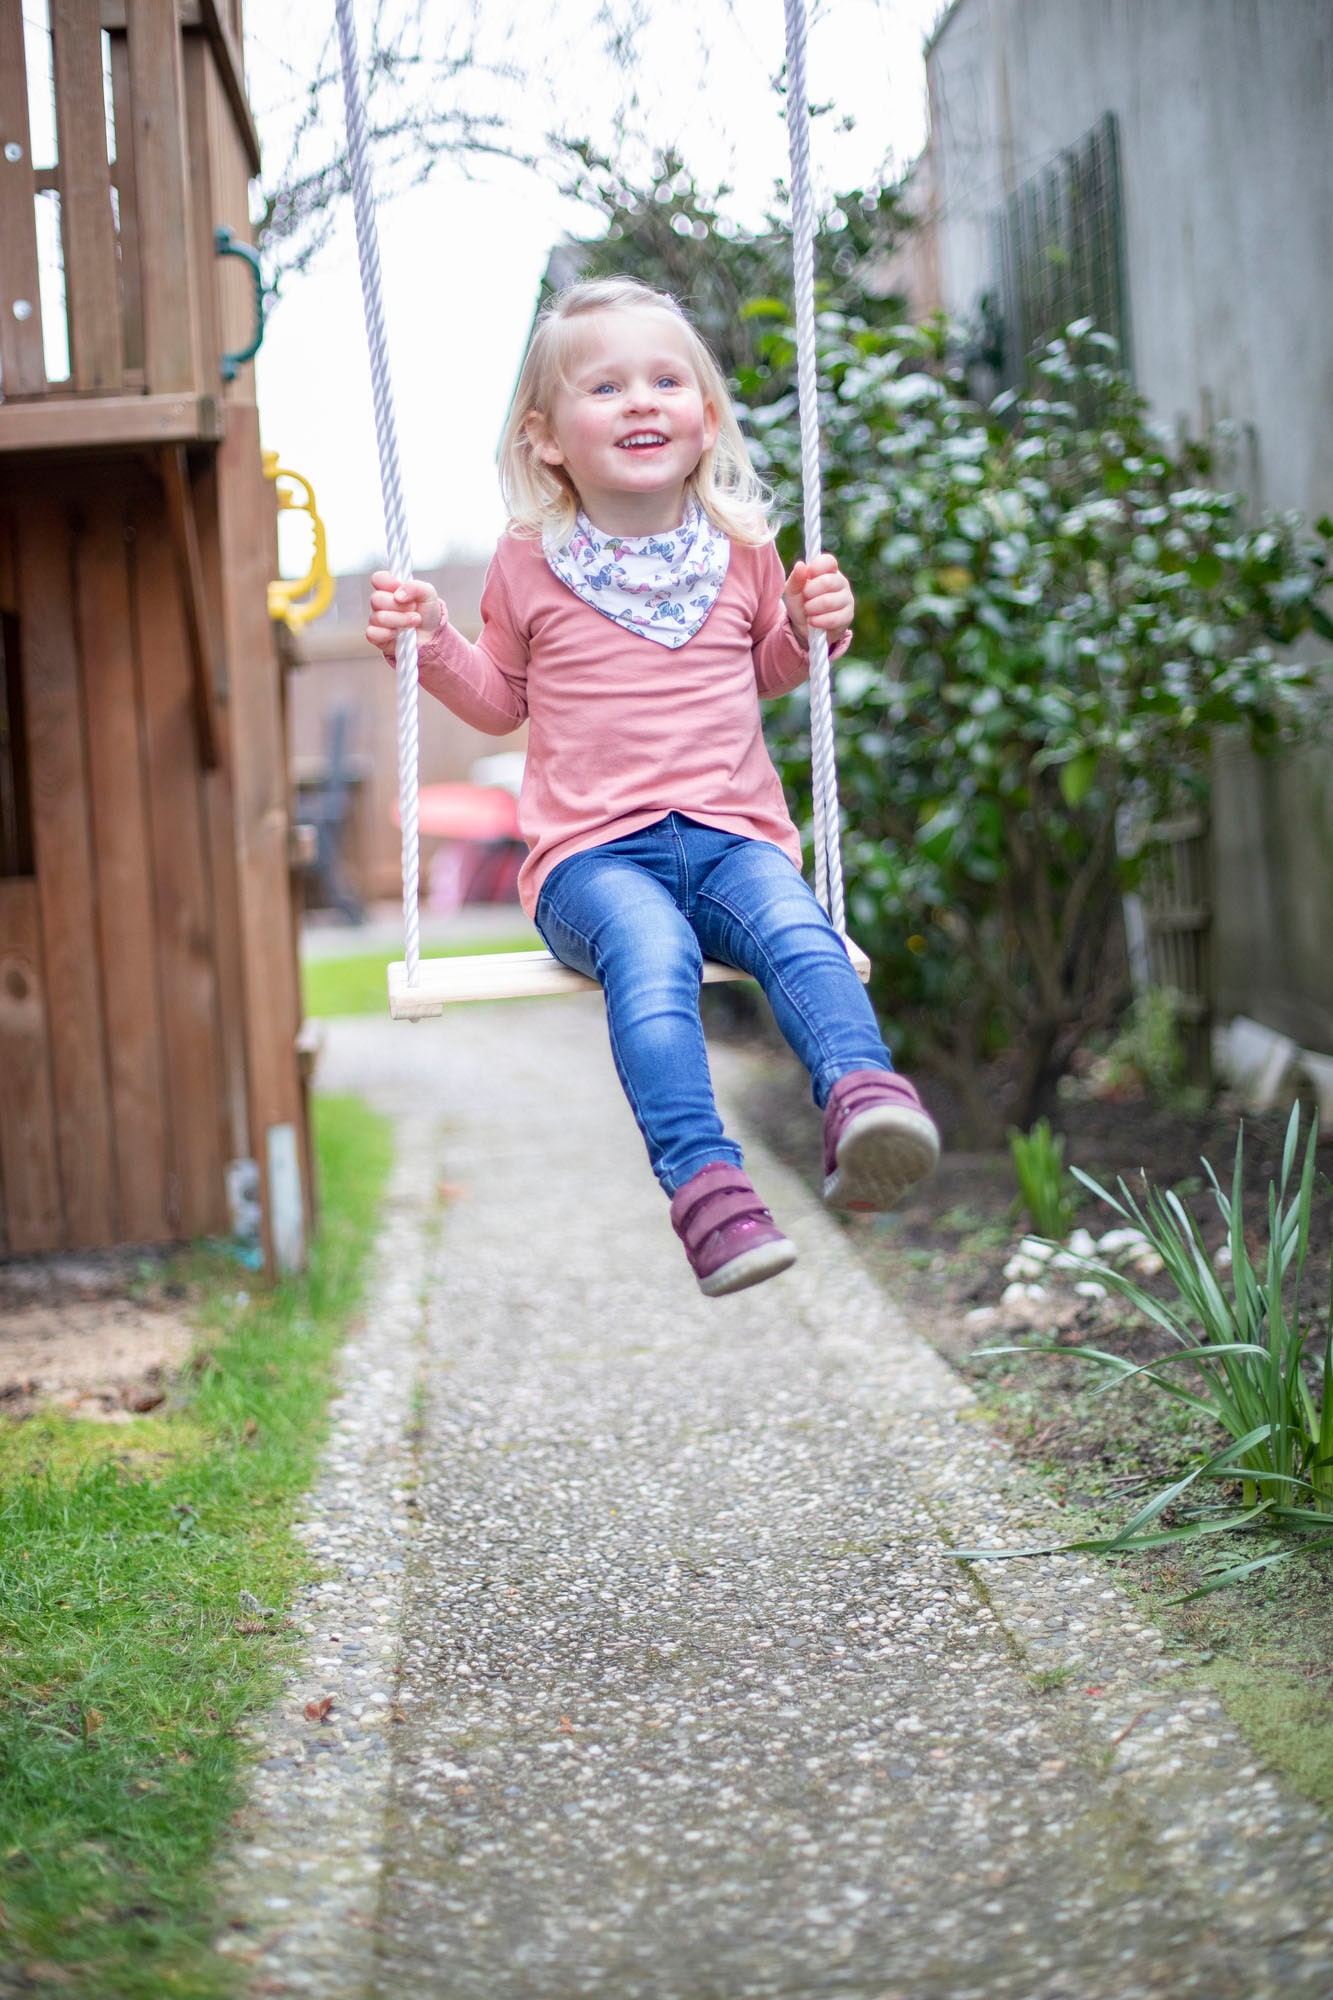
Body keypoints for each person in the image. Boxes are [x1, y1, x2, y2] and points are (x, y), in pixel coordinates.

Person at [367, 276, 939, 1297]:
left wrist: (808, 627)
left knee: (798, 928)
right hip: (590, 861)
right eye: (605, 387)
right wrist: (434, 643)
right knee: (652, 951)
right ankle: (709, 1192)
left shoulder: (742, 544)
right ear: (546, 438)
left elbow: (762, 669)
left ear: (705, 416)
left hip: (733, 837)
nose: (640, 400)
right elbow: (501, 701)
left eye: (666, 381)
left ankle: (865, 1101)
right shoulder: (529, 558)